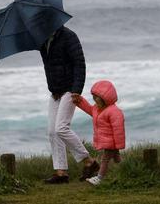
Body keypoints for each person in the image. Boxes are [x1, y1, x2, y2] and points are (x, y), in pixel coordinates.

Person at [40, 25, 99, 184]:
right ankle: (61, 173)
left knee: (61, 128)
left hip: (69, 89)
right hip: (55, 91)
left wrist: (77, 90)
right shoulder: (43, 39)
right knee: (52, 132)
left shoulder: (68, 36)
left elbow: (79, 63)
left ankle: (89, 162)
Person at [72, 80, 126, 186]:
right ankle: (127, 171)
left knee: (104, 159)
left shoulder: (114, 111)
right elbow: (89, 109)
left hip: (111, 142)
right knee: (117, 159)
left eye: (97, 98)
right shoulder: (97, 109)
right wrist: (79, 101)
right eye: (94, 97)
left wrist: (119, 144)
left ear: (106, 98)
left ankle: (99, 178)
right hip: (108, 142)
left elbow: (119, 130)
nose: (95, 100)